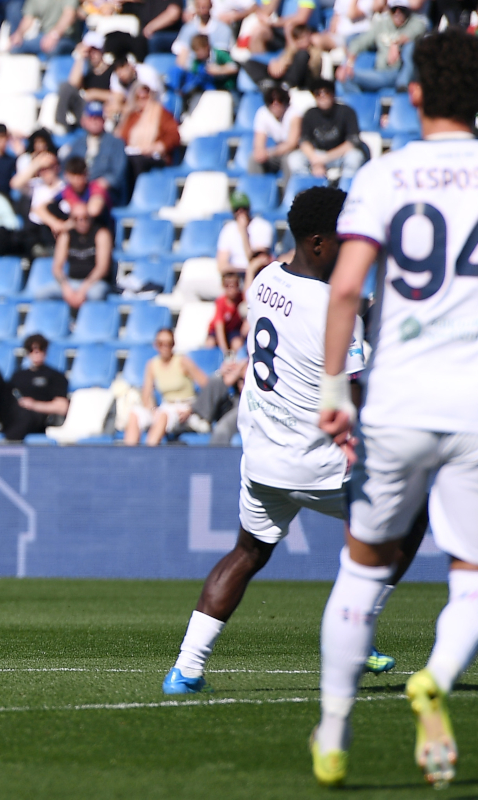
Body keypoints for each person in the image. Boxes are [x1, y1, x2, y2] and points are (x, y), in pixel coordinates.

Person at [311, 31, 478, 788]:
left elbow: (344, 289)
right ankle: (434, 675)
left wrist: (336, 393)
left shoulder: (386, 176)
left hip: (398, 403)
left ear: (417, 95)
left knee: (363, 573)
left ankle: (334, 729)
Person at [165, 187, 412, 697]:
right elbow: (358, 390)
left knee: (247, 552)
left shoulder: (266, 279)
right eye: (346, 241)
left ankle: (185, 668)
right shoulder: (331, 306)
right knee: (410, 516)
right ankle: (356, 629)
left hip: (262, 457)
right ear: (320, 243)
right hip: (319, 460)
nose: (354, 250)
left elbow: (307, 319)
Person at [0, 333, 70, 440]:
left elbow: (62, 407)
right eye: (31, 350)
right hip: (13, 413)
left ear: (46, 350)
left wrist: (34, 405)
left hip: (36, 416)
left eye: (40, 349)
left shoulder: (55, 376)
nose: (36, 352)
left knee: (25, 417)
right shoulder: (18, 375)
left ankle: (7, 446)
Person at [121, 327, 210, 446]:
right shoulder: (152, 365)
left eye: (169, 344)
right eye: (161, 344)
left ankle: (149, 453)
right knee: (135, 413)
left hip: (184, 408)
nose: (165, 347)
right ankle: (128, 454)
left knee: (163, 415)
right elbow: (146, 395)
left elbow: (208, 387)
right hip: (165, 406)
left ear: (173, 345)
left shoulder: (183, 361)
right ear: (155, 345)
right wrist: (153, 410)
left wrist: (192, 408)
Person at [117, 66, 180, 202]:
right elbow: (122, 138)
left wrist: (158, 146)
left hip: (154, 157)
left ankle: (138, 198)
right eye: (139, 97)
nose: (142, 99)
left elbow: (174, 135)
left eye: (145, 96)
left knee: (136, 162)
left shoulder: (162, 114)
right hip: (134, 153)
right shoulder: (132, 117)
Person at [337, 0, 426, 94]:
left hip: (396, 72)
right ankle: (364, 105)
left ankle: (402, 87)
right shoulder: (382, 24)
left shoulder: (416, 22)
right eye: (394, 9)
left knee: (410, 46)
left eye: (402, 10)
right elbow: (360, 42)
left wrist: (396, 43)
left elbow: (416, 31)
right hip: (380, 71)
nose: (398, 13)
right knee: (345, 77)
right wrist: (349, 62)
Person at [287, 79, 365, 179]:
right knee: (294, 159)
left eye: (326, 92)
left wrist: (326, 158)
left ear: (333, 94)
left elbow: (352, 141)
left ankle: (345, 189)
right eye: (318, 93)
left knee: (355, 157)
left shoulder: (346, 112)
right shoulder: (310, 114)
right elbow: (304, 141)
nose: (322, 96)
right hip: (317, 155)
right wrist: (315, 161)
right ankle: (308, 189)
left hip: (340, 154)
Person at [39, 203, 111, 308]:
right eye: (76, 219)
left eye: (85, 218)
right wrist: (66, 289)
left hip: (94, 283)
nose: (81, 222)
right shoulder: (66, 235)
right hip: (72, 282)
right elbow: (57, 267)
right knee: (42, 295)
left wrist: (83, 290)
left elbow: (102, 268)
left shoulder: (101, 234)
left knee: (96, 295)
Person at [55, 32, 115, 131]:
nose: (92, 55)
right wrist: (80, 57)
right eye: (89, 51)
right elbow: (72, 84)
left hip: (104, 112)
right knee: (65, 87)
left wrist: (95, 94)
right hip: (86, 111)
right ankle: (61, 123)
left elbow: (119, 96)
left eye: (95, 51)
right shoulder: (88, 74)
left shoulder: (112, 71)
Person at [217, 192, 274, 276]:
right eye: (237, 209)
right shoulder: (228, 229)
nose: (241, 212)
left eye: (244, 208)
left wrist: (243, 232)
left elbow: (256, 261)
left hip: (256, 274)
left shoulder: (263, 226)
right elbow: (221, 264)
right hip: (236, 273)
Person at [250, 84, 301, 175]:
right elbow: (259, 142)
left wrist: (269, 153)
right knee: (254, 158)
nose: (275, 104)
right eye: (271, 101)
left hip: (295, 151)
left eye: (280, 100)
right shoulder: (262, 113)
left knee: (289, 160)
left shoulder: (294, 113)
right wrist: (261, 153)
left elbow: (292, 143)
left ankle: (289, 188)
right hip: (277, 152)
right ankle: (258, 187)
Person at [172, 0, 234, 66]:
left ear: (211, 5)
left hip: (216, 72)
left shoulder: (223, 29)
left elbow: (223, 58)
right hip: (192, 71)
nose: (203, 11)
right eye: (199, 7)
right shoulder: (187, 28)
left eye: (205, 7)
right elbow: (182, 56)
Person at [206, 271, 247, 353]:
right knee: (210, 344)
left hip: (233, 330)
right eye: (227, 286)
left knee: (237, 344)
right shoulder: (221, 302)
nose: (230, 289)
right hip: (217, 332)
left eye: (233, 286)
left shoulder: (241, 299)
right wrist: (225, 351)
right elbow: (219, 326)